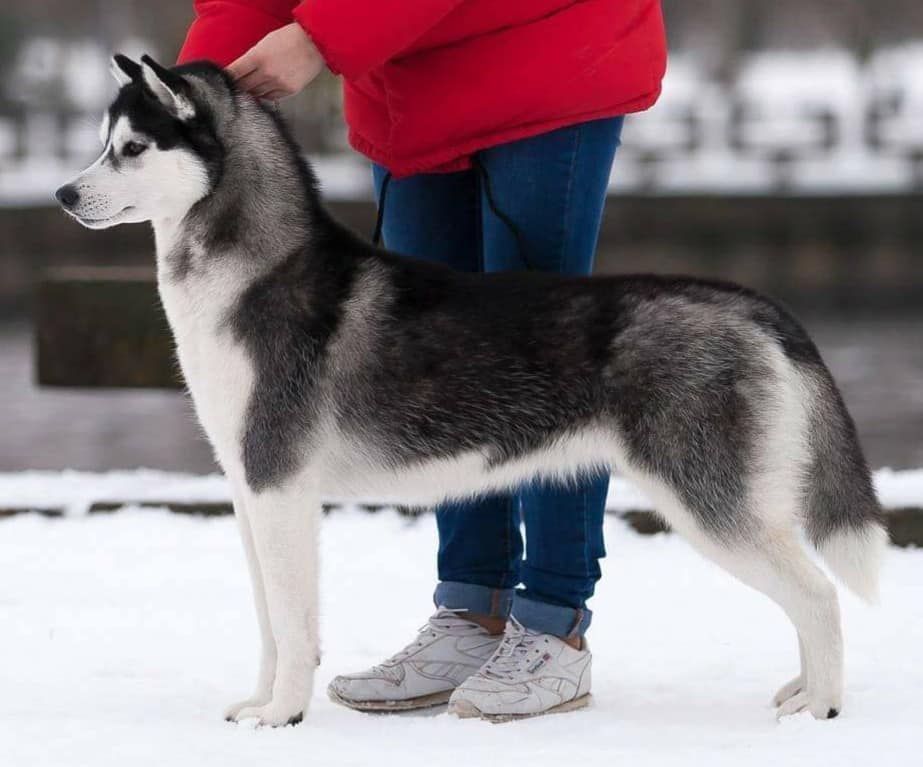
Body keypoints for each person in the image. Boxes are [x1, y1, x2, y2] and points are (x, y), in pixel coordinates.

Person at [179, 0, 666, 720]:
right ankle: (473, 608)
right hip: (407, 83)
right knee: (429, 358)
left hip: (546, 53)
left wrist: (319, 37)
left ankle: (554, 621)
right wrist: (187, 95)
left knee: (556, 352)